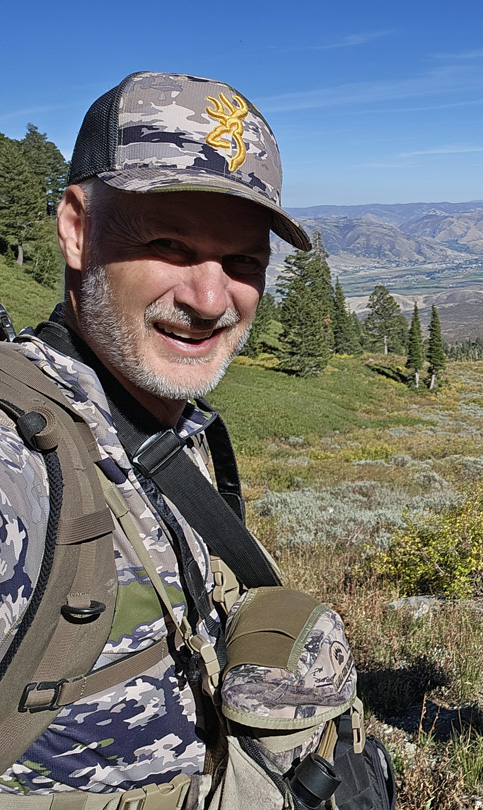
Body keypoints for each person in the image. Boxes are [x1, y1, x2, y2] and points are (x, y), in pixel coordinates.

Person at [0, 72, 389, 808]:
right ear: (76, 228)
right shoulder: (20, 462)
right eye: (169, 245)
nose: (210, 300)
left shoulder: (172, 425)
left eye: (242, 262)